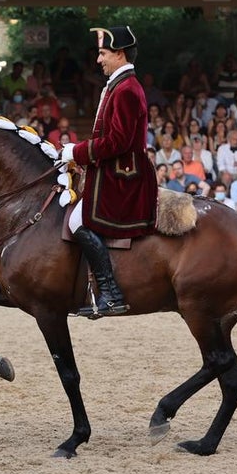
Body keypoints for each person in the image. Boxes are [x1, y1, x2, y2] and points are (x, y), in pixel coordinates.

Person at [61, 26, 156, 318]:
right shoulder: (119, 85)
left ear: (120, 53)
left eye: (103, 54)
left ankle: (111, 293)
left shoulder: (127, 89)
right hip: (112, 171)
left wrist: (74, 152)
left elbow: (118, 142)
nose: (98, 60)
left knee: (77, 221)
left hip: (122, 177)